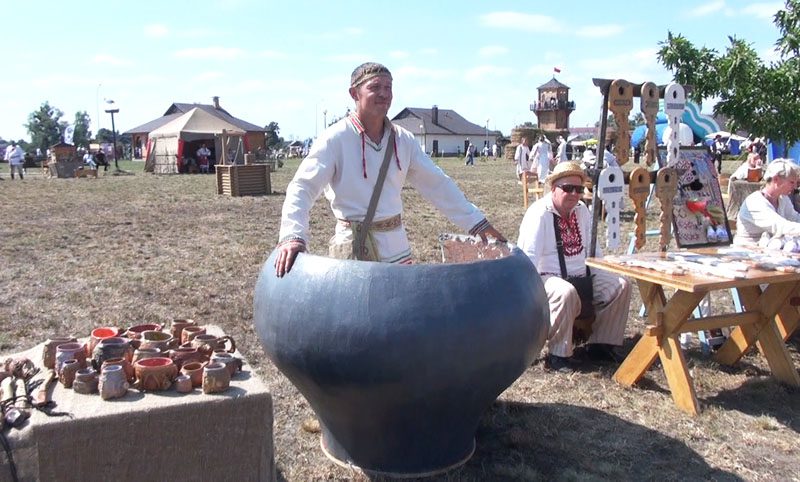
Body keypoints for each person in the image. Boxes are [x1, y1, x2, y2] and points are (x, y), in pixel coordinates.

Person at [274, 62, 506, 277]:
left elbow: (437, 184)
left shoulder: (403, 139)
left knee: (398, 305)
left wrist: (477, 223)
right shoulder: (335, 138)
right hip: (355, 250)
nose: (384, 94)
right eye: (375, 87)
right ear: (354, 94)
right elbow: (302, 187)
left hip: (397, 249)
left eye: (388, 87)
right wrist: (293, 235)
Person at [517, 161, 631, 372]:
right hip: (547, 278)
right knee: (565, 292)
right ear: (553, 188)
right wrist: (526, 300)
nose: (574, 194)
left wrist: (604, 272)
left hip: (582, 277)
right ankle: (558, 356)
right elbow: (528, 259)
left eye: (578, 189)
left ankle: (601, 345)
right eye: (568, 188)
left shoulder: (582, 211)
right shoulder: (539, 214)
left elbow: (594, 251)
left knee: (621, 285)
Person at [734, 159, 800, 245]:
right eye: (791, 182)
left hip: (771, 248)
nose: (795, 187)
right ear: (776, 179)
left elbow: (795, 218)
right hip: (747, 249)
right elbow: (780, 226)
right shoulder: (755, 202)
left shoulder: (783, 199)